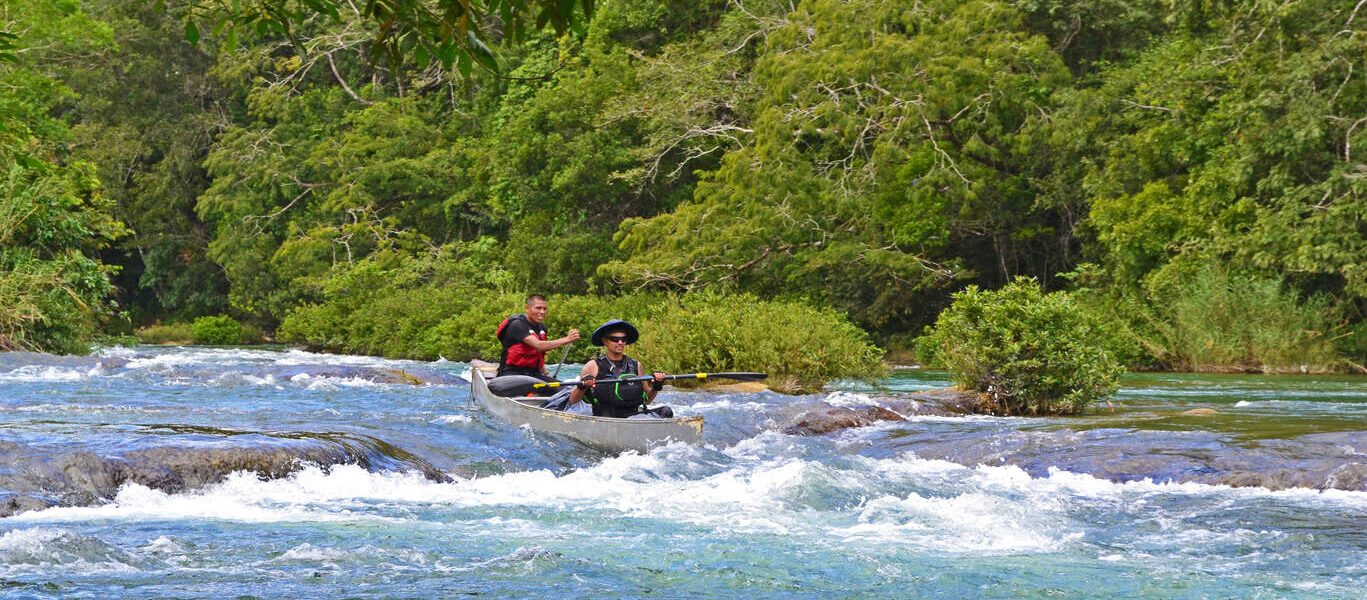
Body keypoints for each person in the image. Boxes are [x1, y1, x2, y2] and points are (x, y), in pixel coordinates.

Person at [566, 319, 673, 419]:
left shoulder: (636, 365)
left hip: (635, 417)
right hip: (605, 419)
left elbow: (648, 401)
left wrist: (656, 386)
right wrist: (583, 386)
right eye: (615, 339)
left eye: (623, 339)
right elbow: (573, 400)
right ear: (604, 341)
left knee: (666, 411)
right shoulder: (592, 366)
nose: (620, 342)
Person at [495, 294, 579, 381]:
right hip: (512, 374)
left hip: (534, 374)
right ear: (527, 308)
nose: (542, 312)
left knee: (565, 387)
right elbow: (539, 346)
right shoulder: (517, 325)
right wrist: (567, 339)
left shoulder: (542, 328)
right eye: (538, 308)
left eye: (544, 309)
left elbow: (538, 355)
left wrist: (546, 374)